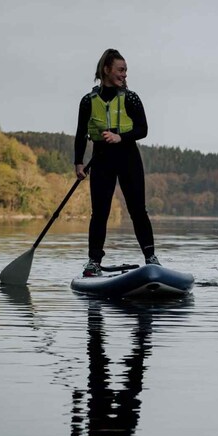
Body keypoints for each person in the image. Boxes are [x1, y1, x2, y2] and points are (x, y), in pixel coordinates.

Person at [74, 49, 158, 277]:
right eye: (120, 70)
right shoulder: (87, 101)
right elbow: (81, 133)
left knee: (138, 210)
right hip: (101, 159)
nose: (125, 75)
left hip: (128, 157)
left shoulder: (131, 98)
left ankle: (151, 258)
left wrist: (121, 137)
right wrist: (78, 163)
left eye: (126, 71)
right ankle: (93, 262)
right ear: (106, 70)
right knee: (99, 213)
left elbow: (143, 129)